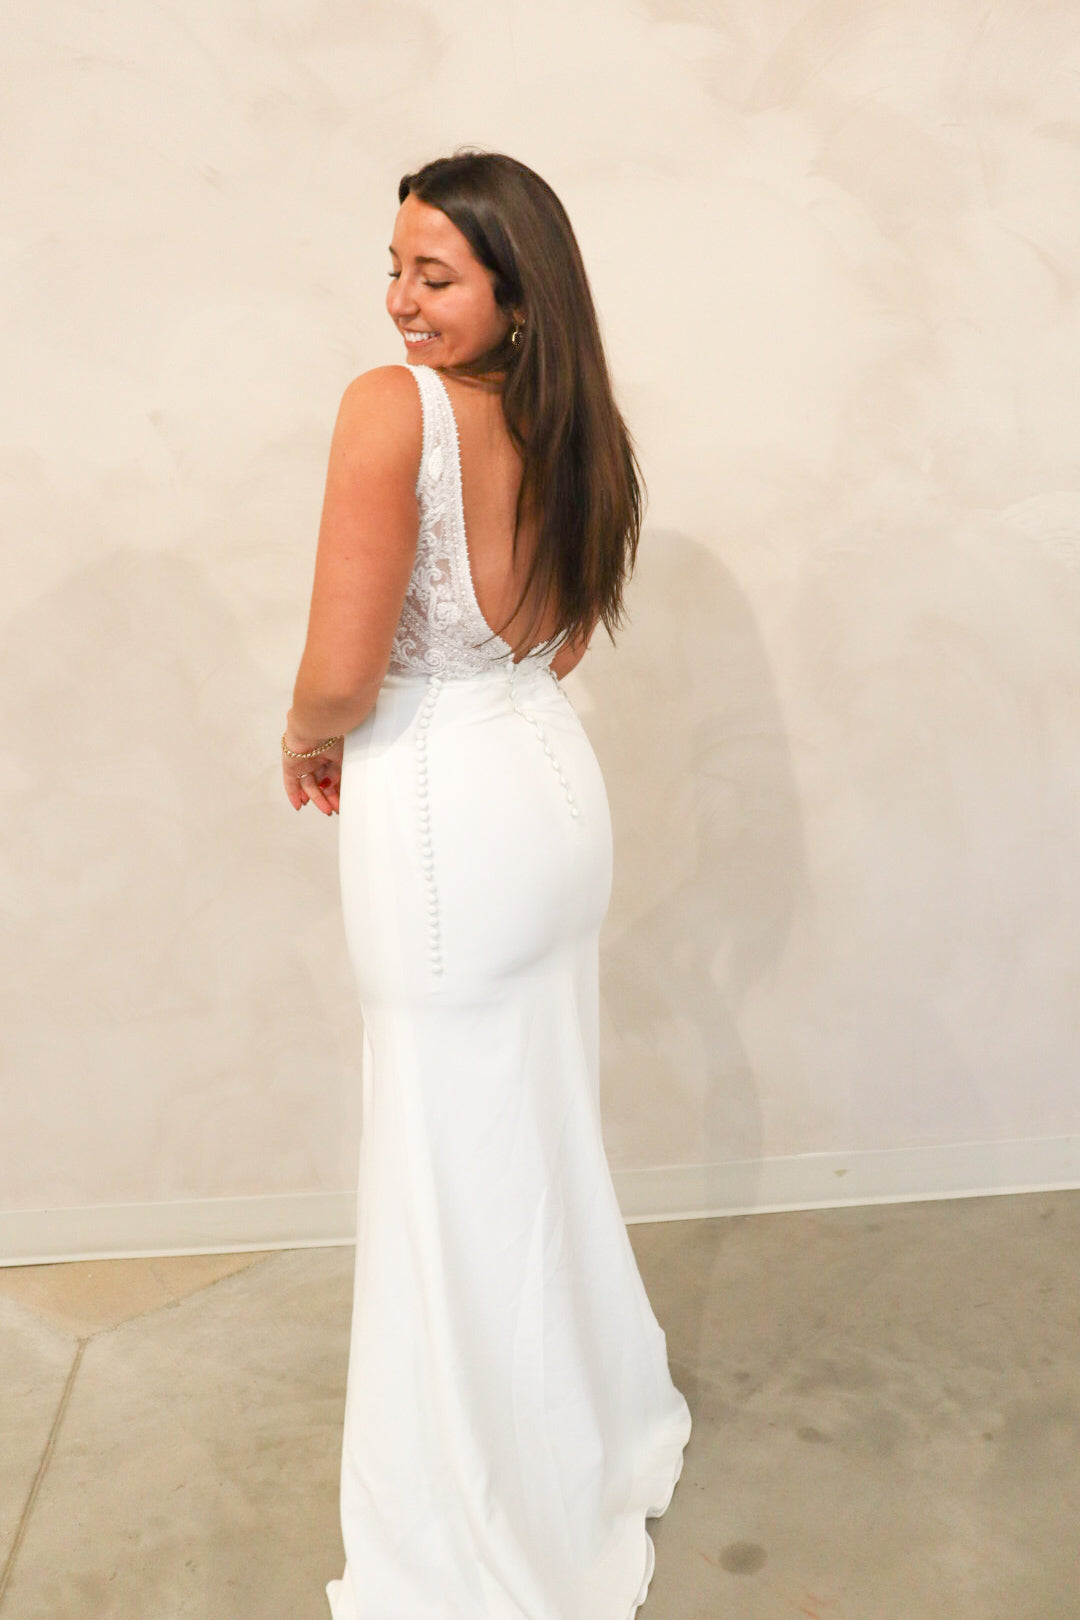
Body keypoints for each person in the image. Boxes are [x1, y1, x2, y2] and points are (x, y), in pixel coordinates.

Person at [281, 150, 692, 1620]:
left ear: (518, 295)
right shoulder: (572, 419)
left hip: (445, 819)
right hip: (550, 793)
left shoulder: (389, 410)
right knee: (533, 1136)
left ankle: (487, 1517)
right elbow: (561, 639)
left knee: (450, 1166)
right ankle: (579, 1441)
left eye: (436, 274)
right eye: (395, 269)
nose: (401, 301)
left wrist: (304, 733)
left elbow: (344, 670)